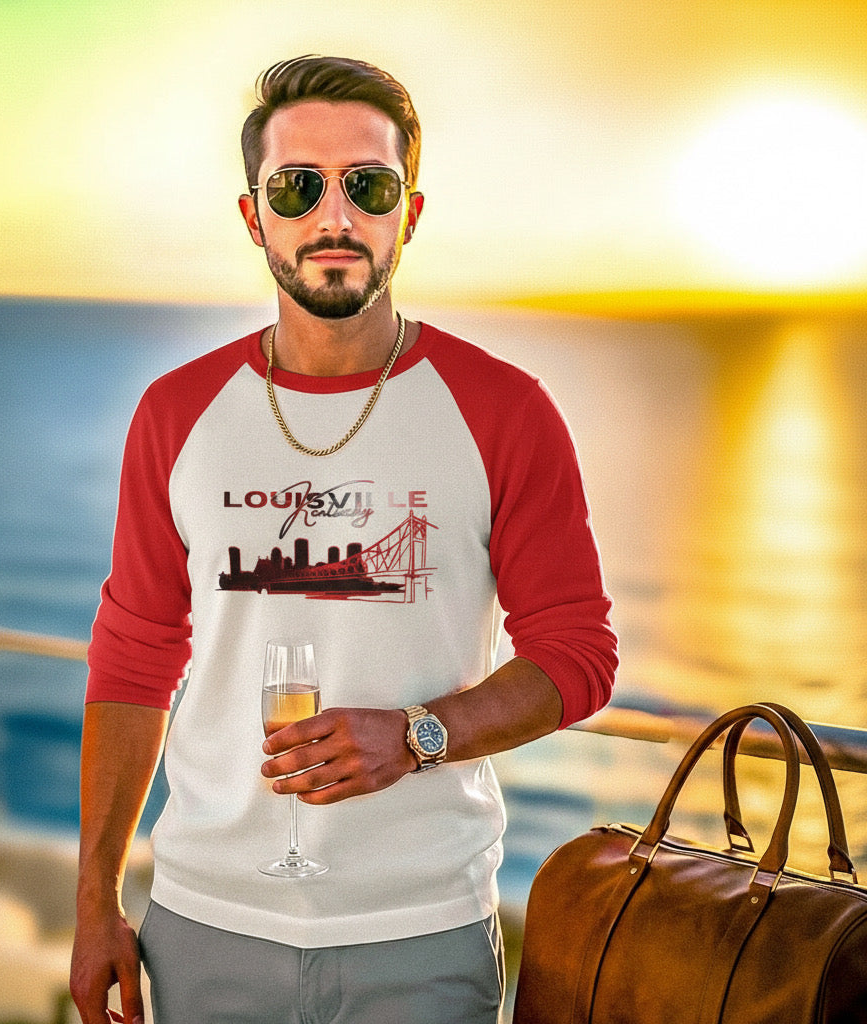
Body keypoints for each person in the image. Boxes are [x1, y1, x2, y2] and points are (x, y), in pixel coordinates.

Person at [70, 55, 617, 1024]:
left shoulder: (505, 411)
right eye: (297, 186)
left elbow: (576, 655)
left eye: (367, 185)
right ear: (254, 217)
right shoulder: (176, 413)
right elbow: (134, 655)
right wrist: (93, 902)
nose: (334, 217)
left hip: (420, 935)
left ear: (407, 213)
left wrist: (416, 736)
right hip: (205, 926)